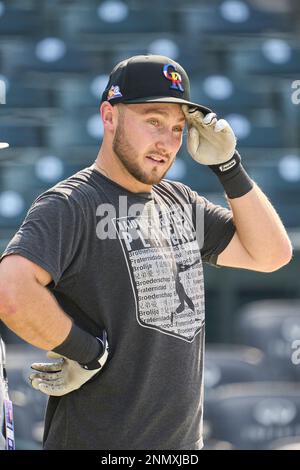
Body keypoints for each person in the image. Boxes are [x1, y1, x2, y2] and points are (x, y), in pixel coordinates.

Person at [0, 55, 292, 450]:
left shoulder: (181, 201)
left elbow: (271, 254)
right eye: (153, 121)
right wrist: (86, 352)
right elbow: (12, 291)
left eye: (177, 128)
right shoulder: (72, 202)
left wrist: (228, 165)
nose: (167, 142)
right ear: (110, 116)